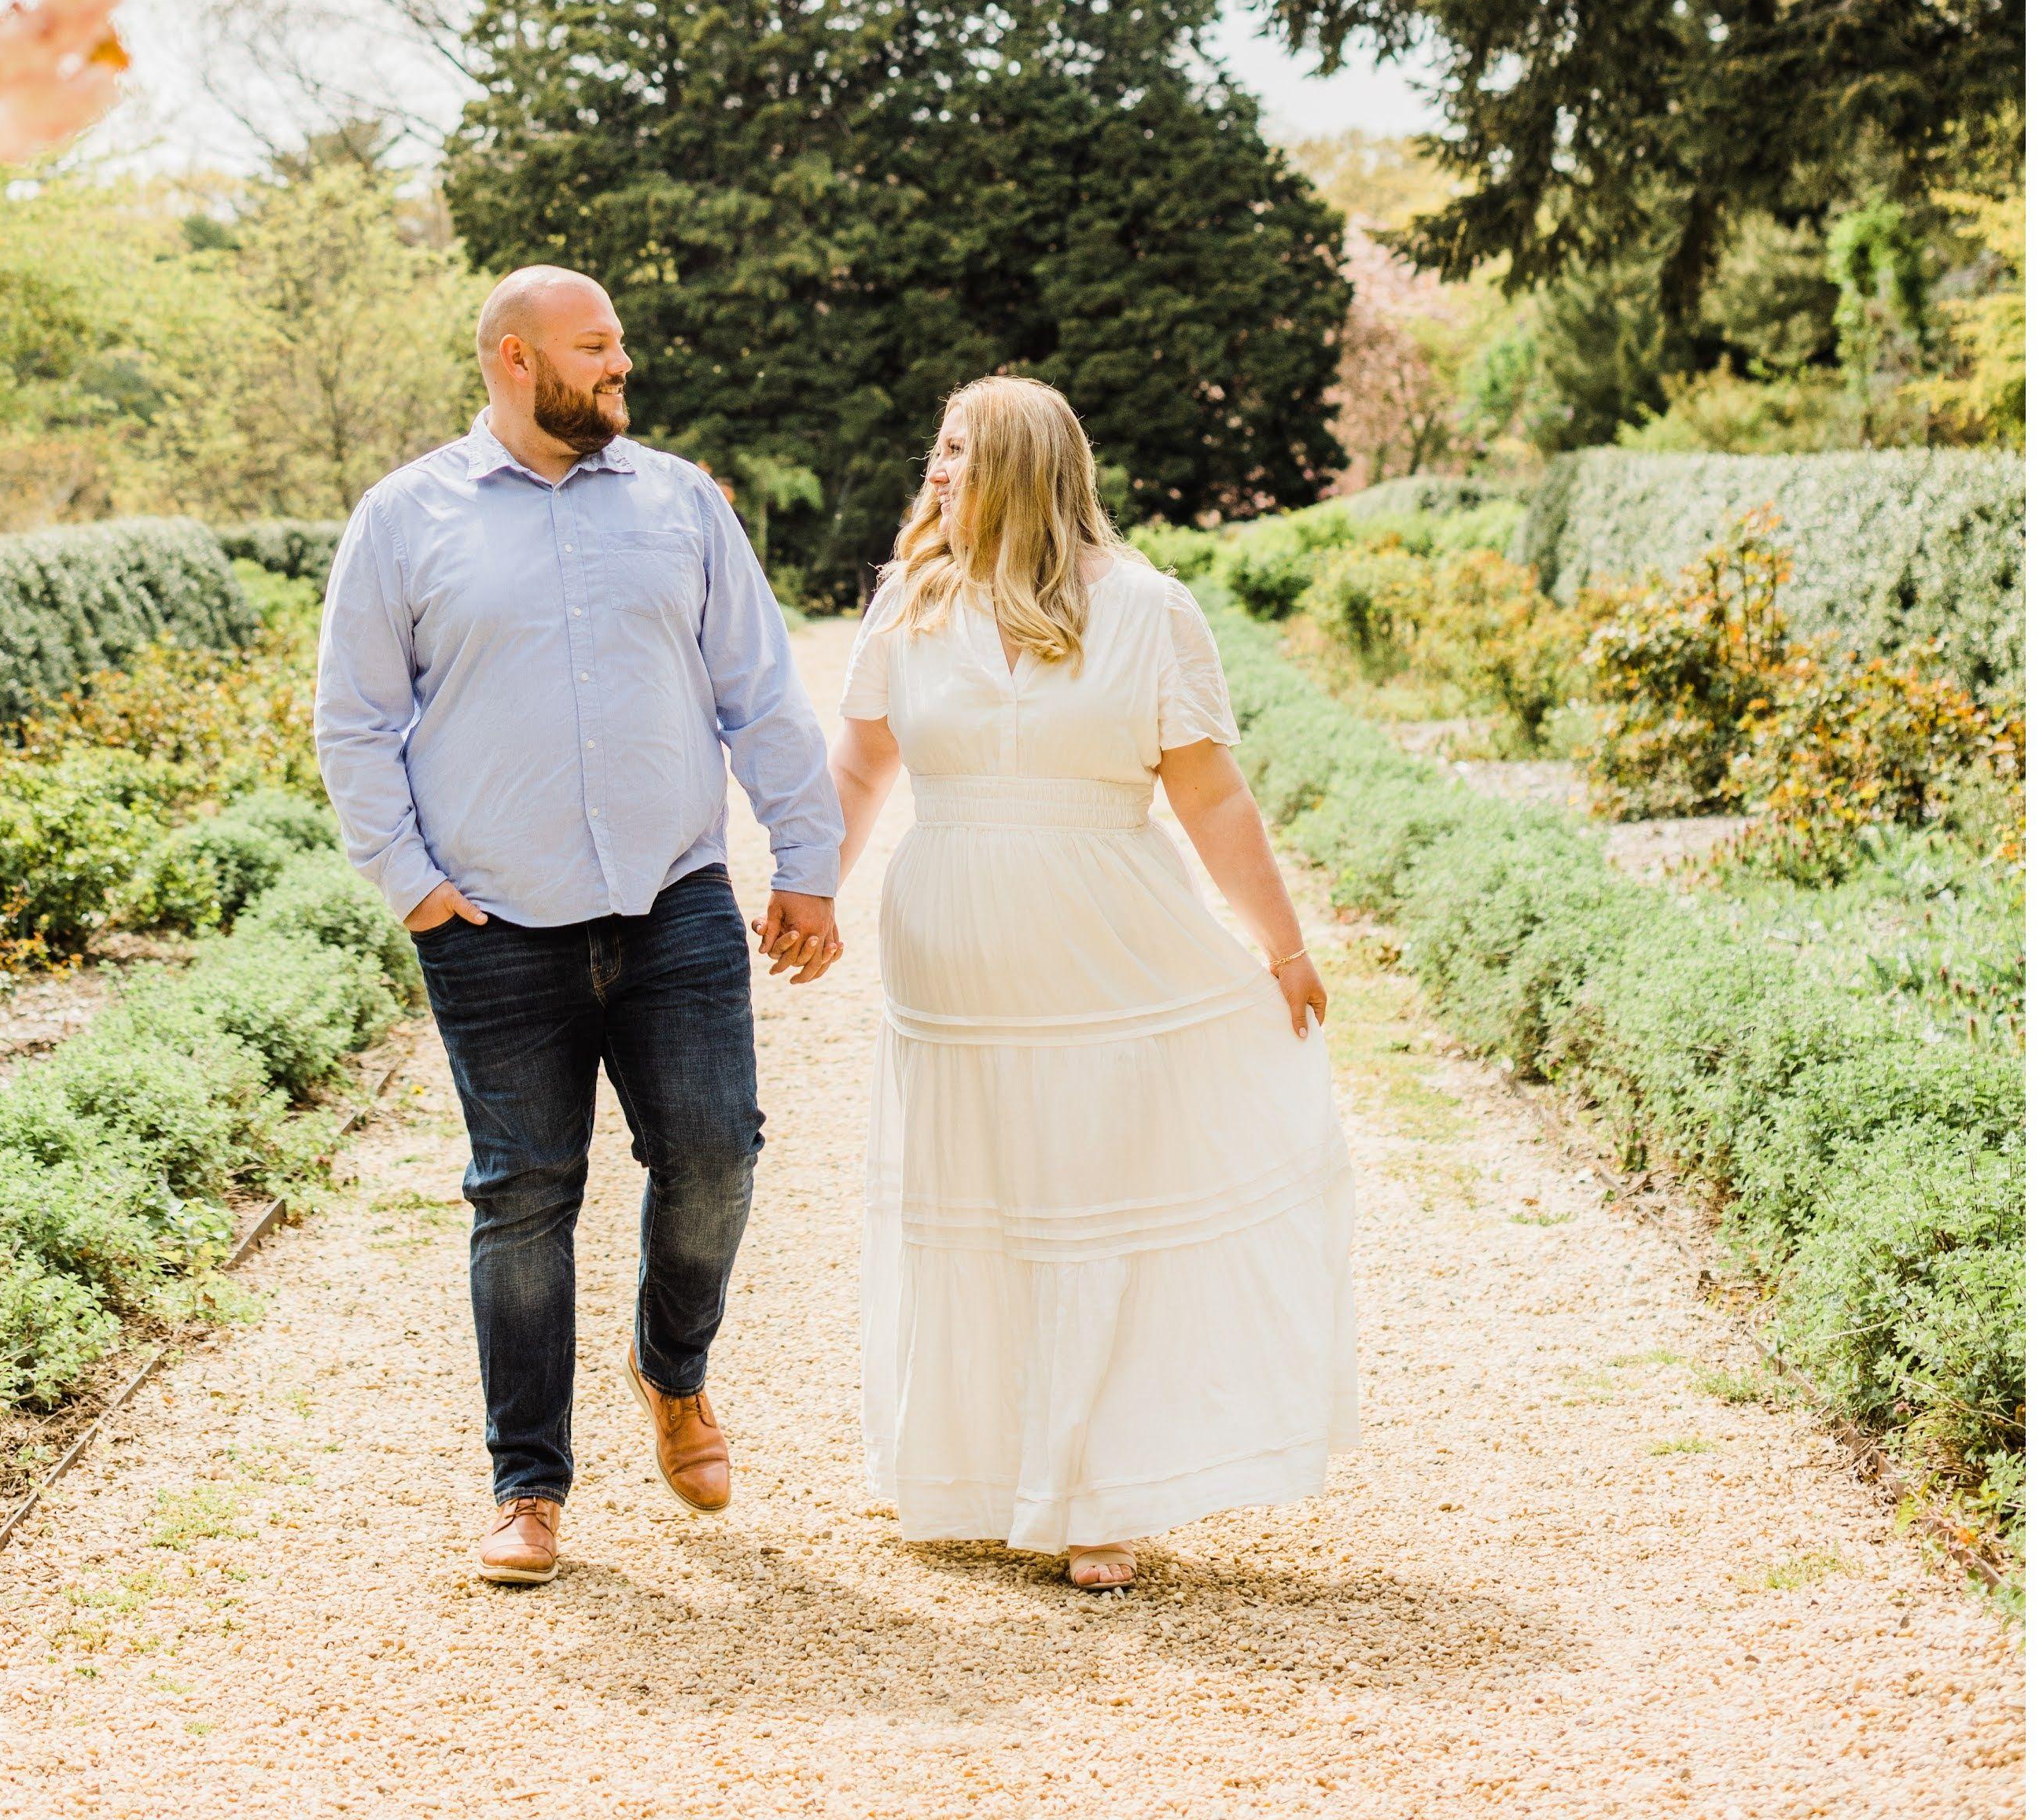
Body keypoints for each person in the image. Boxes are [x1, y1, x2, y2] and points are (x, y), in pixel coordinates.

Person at [314, 263, 845, 1590]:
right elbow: (356, 720)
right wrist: (412, 885)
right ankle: (527, 1486)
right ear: (512, 358)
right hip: (492, 924)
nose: (620, 367)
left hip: (672, 900)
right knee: (524, 1197)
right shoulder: (403, 518)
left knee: (717, 1152)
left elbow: (760, 687)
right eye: (594, 347)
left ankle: (673, 1370)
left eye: (617, 346)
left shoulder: (678, 503)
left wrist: (807, 860)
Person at [828, 373, 1359, 1593]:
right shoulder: (910, 601)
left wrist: (1280, 944)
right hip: (951, 968)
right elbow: (858, 769)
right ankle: (976, 1469)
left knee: (1092, 1213)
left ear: (1020, 463)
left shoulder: (1147, 609)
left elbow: (1210, 793)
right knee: (977, 1205)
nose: (937, 469)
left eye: (958, 448)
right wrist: (811, 891)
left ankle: (1097, 1491)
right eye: (937, 446)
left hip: (1108, 955)